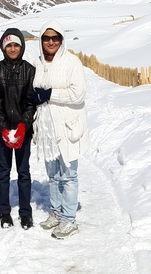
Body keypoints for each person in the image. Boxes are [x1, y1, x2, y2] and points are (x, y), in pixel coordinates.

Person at [29, 20, 90, 239]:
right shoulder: (36, 62)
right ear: (41, 40)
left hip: (65, 126)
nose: (51, 41)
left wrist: (49, 94)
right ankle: (56, 212)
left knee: (68, 174)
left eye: (55, 38)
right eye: (47, 38)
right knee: (52, 174)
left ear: (61, 40)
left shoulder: (72, 62)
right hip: (45, 126)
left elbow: (77, 94)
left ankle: (69, 219)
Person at [0, 28, 36, 229]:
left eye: (16, 45)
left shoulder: (30, 70)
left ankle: (25, 212)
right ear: (3, 47)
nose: (13, 48)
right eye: (9, 45)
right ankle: (4, 211)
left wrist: (23, 126)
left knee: (23, 172)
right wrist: (4, 129)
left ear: (22, 46)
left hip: (23, 132)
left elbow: (30, 102)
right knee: (4, 172)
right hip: (4, 132)